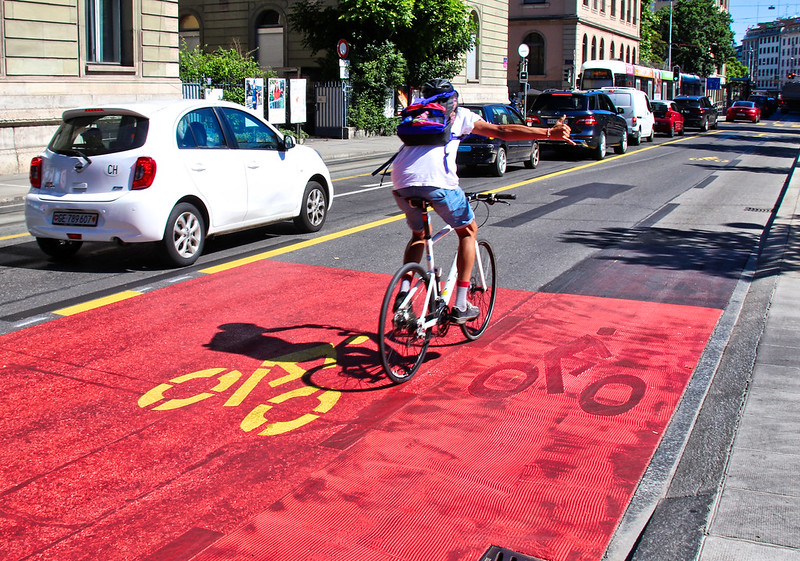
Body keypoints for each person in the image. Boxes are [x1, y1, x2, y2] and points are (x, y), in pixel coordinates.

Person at [391, 78, 573, 323]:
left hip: (401, 180)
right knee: (468, 231)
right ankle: (461, 304)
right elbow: (501, 132)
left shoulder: (417, 116)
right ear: (453, 98)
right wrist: (549, 133)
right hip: (439, 182)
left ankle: (403, 297)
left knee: (420, 235)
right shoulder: (459, 114)